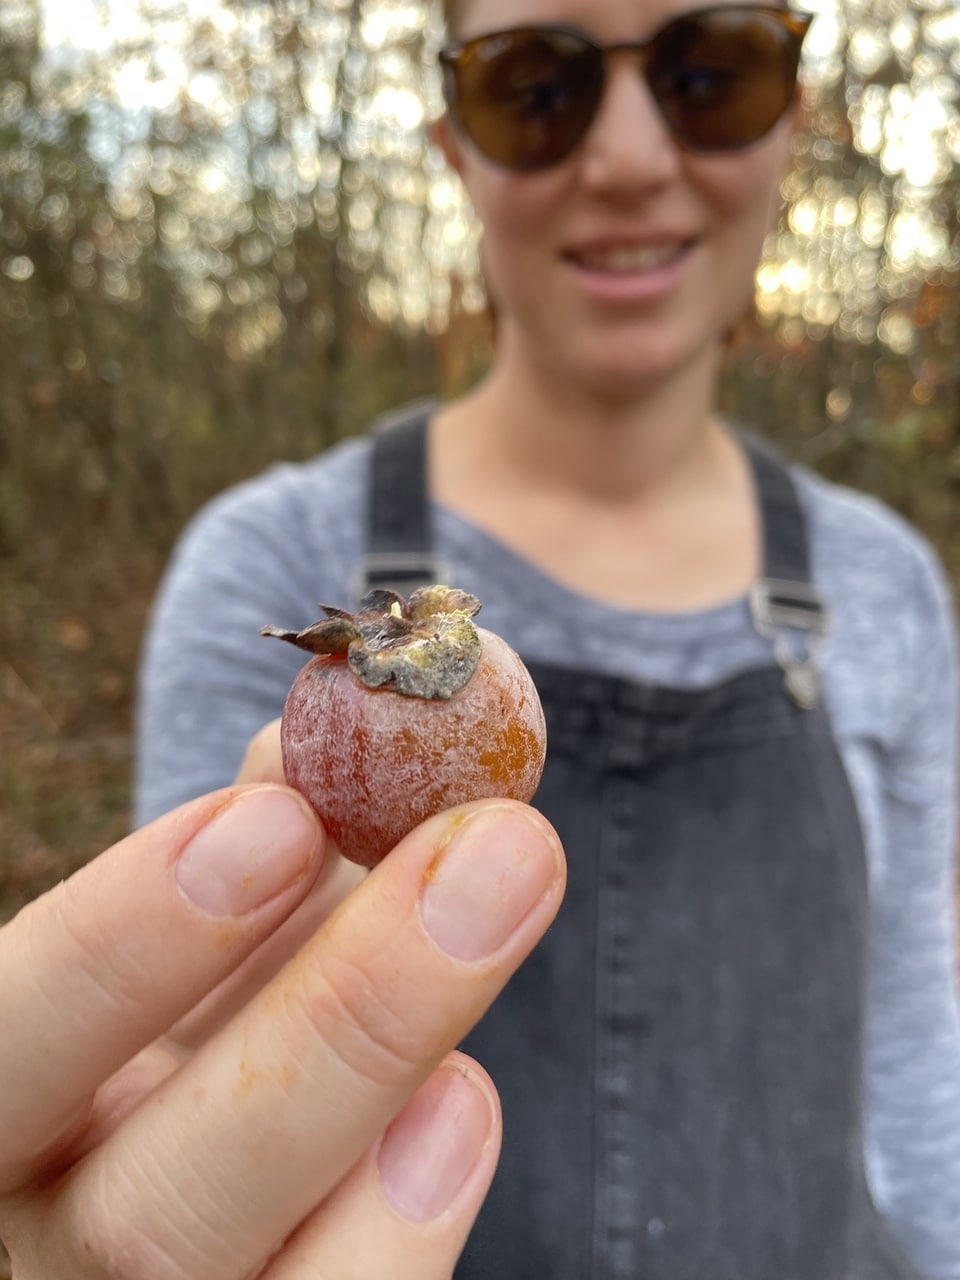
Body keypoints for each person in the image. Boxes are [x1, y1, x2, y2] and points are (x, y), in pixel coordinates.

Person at [4, 0, 958, 1274]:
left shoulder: (884, 582)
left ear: (793, 117)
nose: (625, 155)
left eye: (711, 70)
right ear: (455, 144)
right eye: (535, 84)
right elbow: (178, 1066)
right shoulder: (269, 564)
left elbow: (910, 1085)